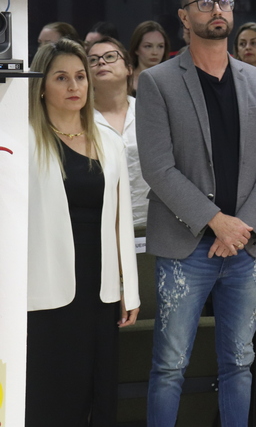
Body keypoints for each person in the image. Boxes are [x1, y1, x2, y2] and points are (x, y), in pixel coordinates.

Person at [137, 0, 256, 427]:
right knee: (170, 366)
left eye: (224, 1)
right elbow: (158, 168)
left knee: (239, 362)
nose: (217, 10)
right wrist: (216, 221)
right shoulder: (158, 81)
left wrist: (241, 228)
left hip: (244, 248)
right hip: (185, 249)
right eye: (205, 3)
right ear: (184, 17)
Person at [27, 38, 140, 426]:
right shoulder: (23, 140)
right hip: (44, 284)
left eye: (80, 76)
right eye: (61, 77)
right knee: (50, 390)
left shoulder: (109, 140)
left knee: (98, 387)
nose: (74, 86)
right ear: (42, 86)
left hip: (99, 286)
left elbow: (122, 220)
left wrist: (128, 288)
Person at [87, 36, 150, 231]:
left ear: (129, 68)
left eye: (110, 56)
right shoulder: (79, 120)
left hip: (152, 224)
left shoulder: (150, 113)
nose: (101, 62)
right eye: (93, 60)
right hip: (101, 225)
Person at [129, 21, 170, 94]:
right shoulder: (125, 81)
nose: (155, 52)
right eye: (148, 46)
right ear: (136, 49)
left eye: (160, 46)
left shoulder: (172, 80)